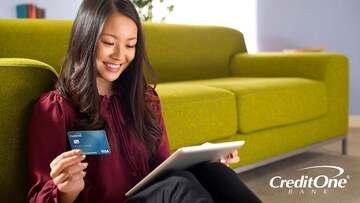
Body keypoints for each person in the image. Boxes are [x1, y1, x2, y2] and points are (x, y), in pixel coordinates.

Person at [27, 0, 262, 202]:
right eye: (109, 43)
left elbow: (162, 169)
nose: (120, 55)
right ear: (86, 40)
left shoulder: (145, 99)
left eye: (130, 45)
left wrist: (204, 160)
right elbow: (38, 195)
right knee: (179, 187)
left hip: (149, 196)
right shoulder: (56, 108)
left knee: (214, 172)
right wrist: (65, 191)